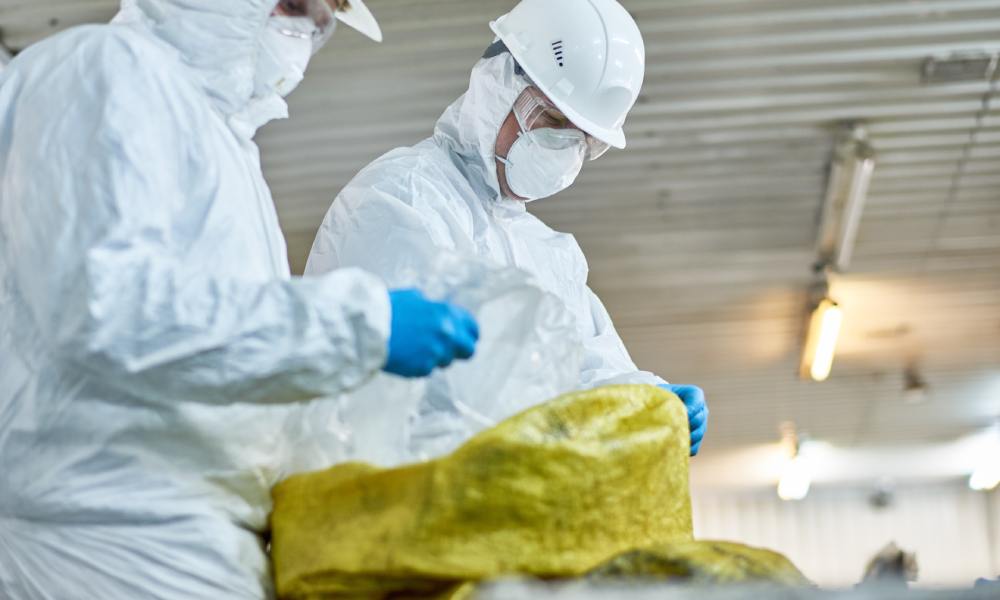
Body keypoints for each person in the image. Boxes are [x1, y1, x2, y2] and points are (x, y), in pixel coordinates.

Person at [0, 1, 479, 598]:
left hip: (198, 541)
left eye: (322, 23)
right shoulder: (103, 70)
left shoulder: (229, 148)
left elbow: (224, 361)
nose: (306, 35)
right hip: (97, 542)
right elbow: (110, 311)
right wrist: (361, 328)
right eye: (297, 6)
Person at [306, 0, 708, 457]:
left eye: (582, 140)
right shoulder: (402, 196)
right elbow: (435, 398)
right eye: (551, 121)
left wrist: (649, 397)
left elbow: (585, 369)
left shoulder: (548, 254)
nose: (561, 149)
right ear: (496, 84)